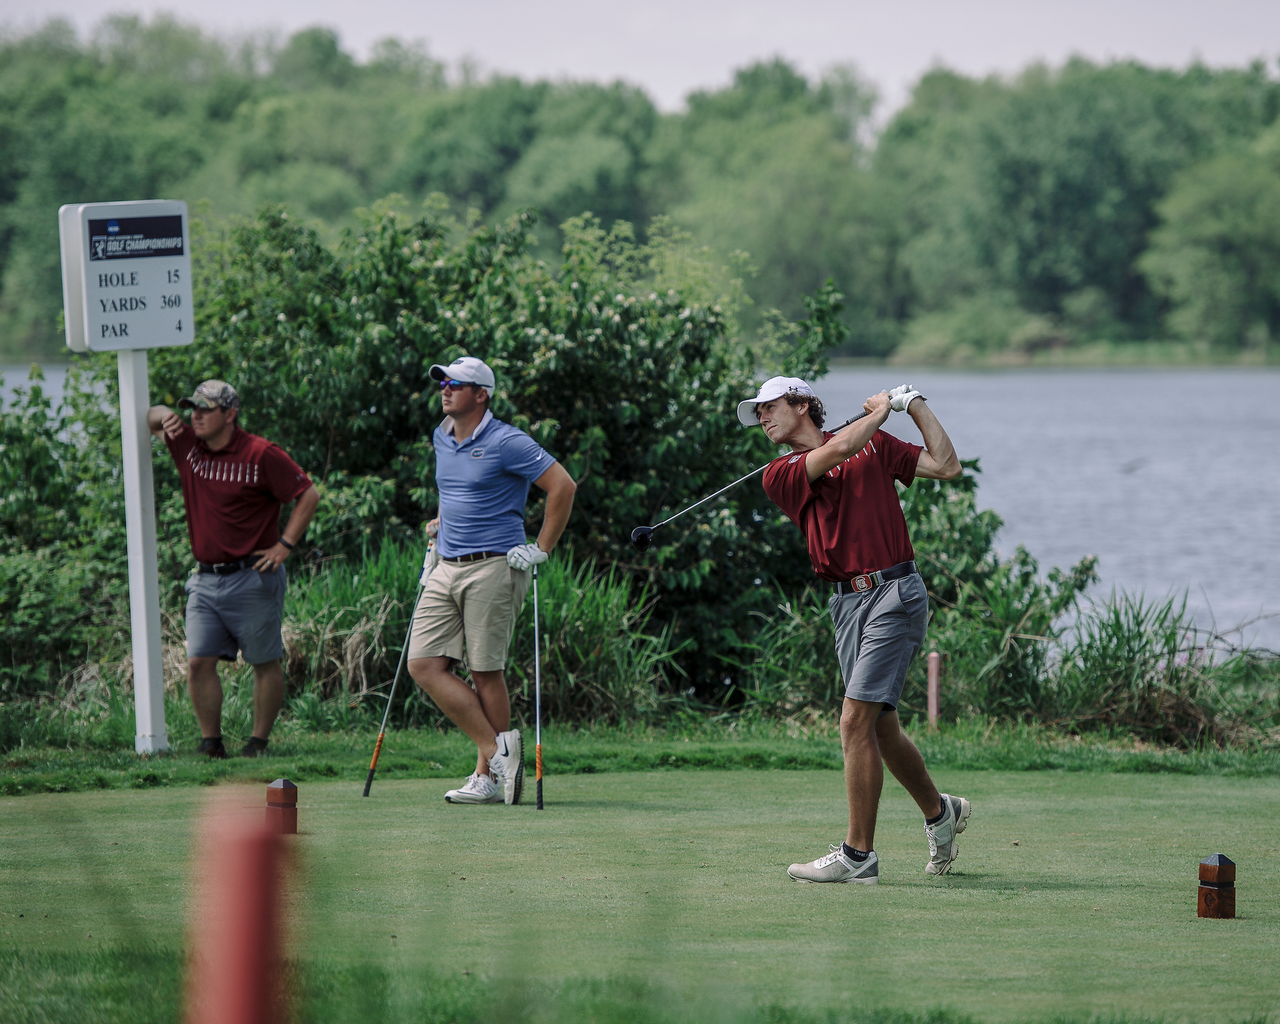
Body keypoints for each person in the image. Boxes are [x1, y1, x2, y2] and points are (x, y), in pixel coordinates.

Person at [737, 376, 968, 883]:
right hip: (845, 605)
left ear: (801, 404)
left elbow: (947, 466)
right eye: (758, 412)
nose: (763, 418)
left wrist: (914, 405)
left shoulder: (875, 444)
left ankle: (858, 856)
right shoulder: (780, 473)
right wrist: (882, 410)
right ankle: (940, 812)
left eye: (770, 406)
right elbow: (840, 448)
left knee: (853, 722)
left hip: (894, 592)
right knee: (879, 727)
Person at [407, 356, 576, 806]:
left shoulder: (507, 441)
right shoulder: (442, 436)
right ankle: (498, 752)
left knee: (484, 671)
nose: (445, 389)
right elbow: (453, 490)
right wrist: (441, 521)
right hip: (445, 564)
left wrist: (542, 546)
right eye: (442, 382)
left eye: (455, 384)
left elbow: (563, 486)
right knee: (422, 664)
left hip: (494, 566)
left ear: (480, 394)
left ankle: (486, 776)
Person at [148, 380, 319, 759]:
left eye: (205, 409)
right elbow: (149, 417)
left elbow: (308, 494)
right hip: (204, 578)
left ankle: (258, 742)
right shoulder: (189, 446)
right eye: (193, 408)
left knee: (264, 661)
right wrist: (166, 415)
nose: (196, 416)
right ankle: (211, 743)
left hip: (252, 576)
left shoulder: (261, 454)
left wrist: (285, 545)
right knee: (198, 662)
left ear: (230, 415)